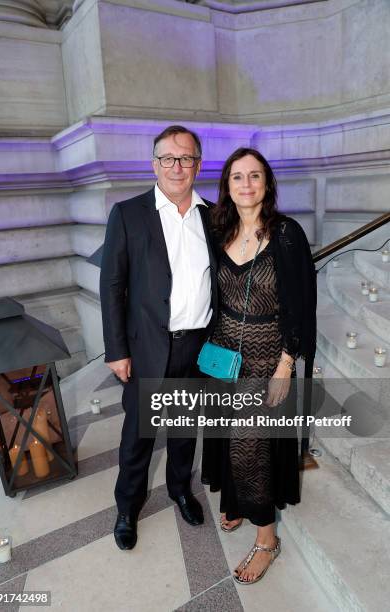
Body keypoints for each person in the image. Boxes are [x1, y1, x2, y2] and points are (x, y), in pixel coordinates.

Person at [201, 147, 316, 584]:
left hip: (268, 354)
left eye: (255, 176)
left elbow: (302, 305)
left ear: (267, 183)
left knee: (252, 445)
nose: (246, 184)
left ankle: (266, 538)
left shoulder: (287, 234)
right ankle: (238, 501)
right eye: (237, 177)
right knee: (225, 438)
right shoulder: (219, 229)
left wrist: (286, 364)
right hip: (224, 353)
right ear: (227, 186)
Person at [100, 125, 217, 550]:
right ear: (154, 164)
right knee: (139, 434)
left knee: (185, 428)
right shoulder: (128, 214)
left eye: (186, 158)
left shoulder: (213, 215)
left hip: (197, 344)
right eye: (168, 158)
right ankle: (127, 507)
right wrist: (117, 350)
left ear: (198, 165)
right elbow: (112, 285)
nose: (177, 166)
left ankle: (180, 490)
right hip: (147, 345)